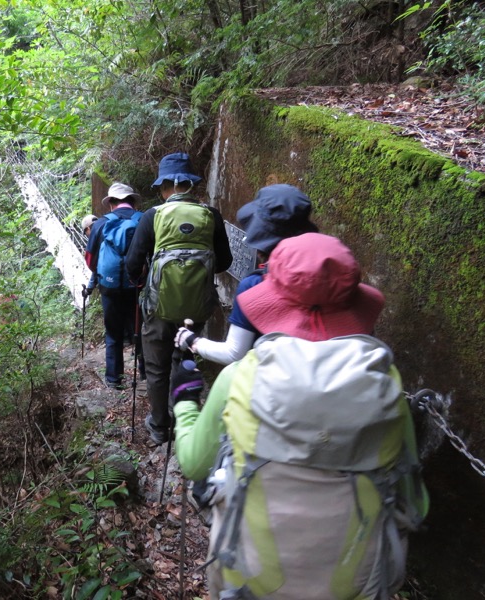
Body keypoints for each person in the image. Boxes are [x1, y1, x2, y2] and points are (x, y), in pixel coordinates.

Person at [170, 233, 428, 599]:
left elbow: (195, 464)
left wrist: (184, 401)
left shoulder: (239, 377)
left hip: (249, 578)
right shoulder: (385, 385)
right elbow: (413, 500)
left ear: (274, 303)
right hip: (355, 586)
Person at [126, 152, 232, 444]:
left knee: (157, 366)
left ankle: (160, 426)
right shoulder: (211, 216)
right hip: (196, 308)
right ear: (190, 185)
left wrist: (144, 282)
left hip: (159, 308)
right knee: (183, 359)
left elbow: (133, 263)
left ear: (165, 187)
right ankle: (186, 420)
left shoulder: (153, 216)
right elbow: (224, 262)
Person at [174, 183, 318, 365]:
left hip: (273, 382)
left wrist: (192, 340)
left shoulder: (254, 286)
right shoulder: (331, 277)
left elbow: (234, 353)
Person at [84, 183, 145, 389]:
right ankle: (145, 373)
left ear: (111, 203)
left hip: (108, 287)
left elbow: (90, 259)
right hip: (136, 285)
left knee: (113, 332)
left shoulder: (101, 224)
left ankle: (114, 379)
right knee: (140, 329)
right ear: (132, 201)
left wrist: (101, 274)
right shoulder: (145, 220)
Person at [81, 214, 99, 294]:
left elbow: (95, 267)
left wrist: (89, 289)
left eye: (85, 232)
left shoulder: (94, 242)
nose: (87, 236)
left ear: (88, 228)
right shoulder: (108, 227)